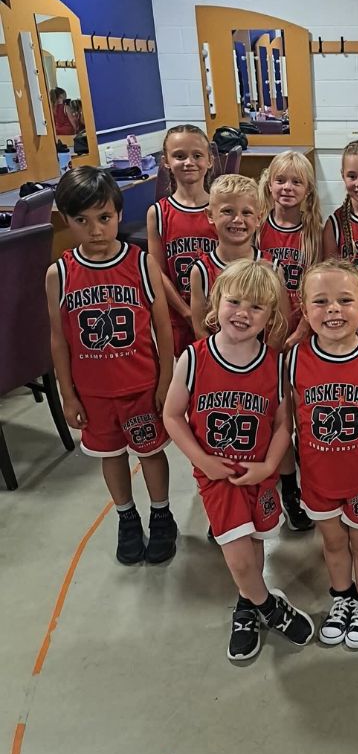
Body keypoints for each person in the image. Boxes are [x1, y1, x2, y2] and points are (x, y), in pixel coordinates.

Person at [163, 260, 315, 661]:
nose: (243, 313)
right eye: (234, 302)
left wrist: (269, 467)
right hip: (218, 478)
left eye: (256, 307)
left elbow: (284, 425)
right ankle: (269, 606)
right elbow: (172, 416)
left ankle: (248, 606)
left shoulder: (275, 364)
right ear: (216, 302)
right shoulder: (193, 358)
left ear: (271, 316)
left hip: (258, 475)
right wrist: (203, 461)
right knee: (239, 557)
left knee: (256, 544)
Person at [46, 167, 175, 564]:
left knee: (151, 452)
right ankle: (126, 517)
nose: (96, 230)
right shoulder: (59, 274)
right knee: (111, 455)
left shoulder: (140, 263)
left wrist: (166, 380)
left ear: (118, 214)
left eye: (104, 218)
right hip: (94, 392)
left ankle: (161, 514)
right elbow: (59, 339)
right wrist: (67, 394)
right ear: (65, 222)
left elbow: (163, 328)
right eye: (81, 221)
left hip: (140, 385)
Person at [288, 259, 358, 650]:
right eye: (320, 301)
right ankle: (341, 597)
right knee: (333, 544)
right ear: (303, 308)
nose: (333, 309)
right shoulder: (295, 359)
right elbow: (290, 419)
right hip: (318, 478)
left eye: (345, 300)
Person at [147, 124, 217, 357]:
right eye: (179, 156)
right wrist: (187, 312)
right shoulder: (158, 213)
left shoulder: (222, 210)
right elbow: (157, 271)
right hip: (179, 315)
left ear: (209, 161)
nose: (189, 162)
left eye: (197, 155)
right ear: (166, 161)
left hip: (221, 316)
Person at [189, 174, 274, 340]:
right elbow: (200, 329)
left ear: (259, 218)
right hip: (217, 360)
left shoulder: (272, 268)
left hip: (260, 361)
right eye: (228, 211)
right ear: (210, 215)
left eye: (247, 212)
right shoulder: (200, 271)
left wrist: (264, 361)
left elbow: (278, 326)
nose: (237, 219)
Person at [258, 150, 323, 344]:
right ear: (269, 185)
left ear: (308, 189)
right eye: (280, 180)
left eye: (297, 182)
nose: (287, 187)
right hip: (264, 323)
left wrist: (303, 328)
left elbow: (318, 287)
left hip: (302, 323)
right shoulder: (257, 227)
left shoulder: (314, 232)